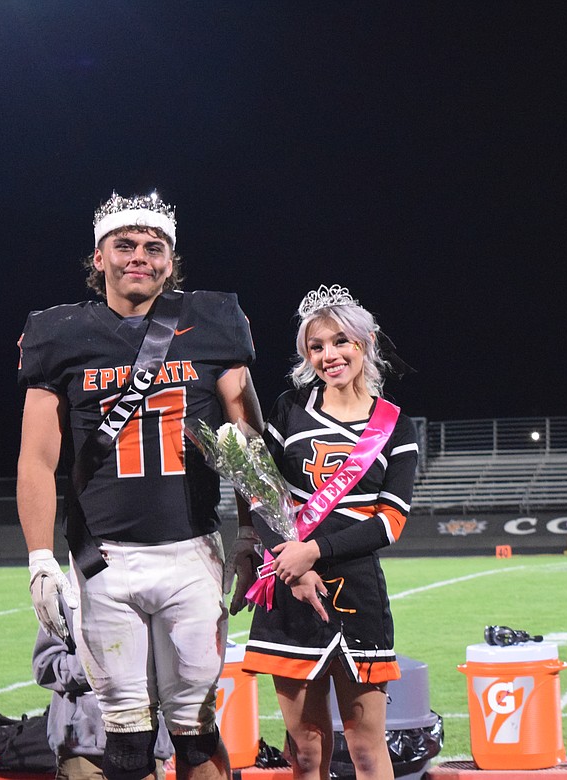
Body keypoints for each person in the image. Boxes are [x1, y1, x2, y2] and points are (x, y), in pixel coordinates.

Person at [16, 191, 263, 780]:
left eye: (155, 248)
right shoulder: (60, 333)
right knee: (124, 737)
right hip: (103, 560)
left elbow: (249, 439)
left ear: (172, 262)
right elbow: (36, 458)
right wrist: (39, 559)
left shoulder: (212, 320)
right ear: (98, 257)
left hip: (191, 552)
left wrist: (253, 532)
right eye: (124, 245)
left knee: (196, 729)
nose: (140, 258)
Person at [241, 285, 419, 780]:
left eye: (341, 342)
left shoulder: (395, 426)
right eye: (316, 347)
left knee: (366, 747)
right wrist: (290, 567)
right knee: (306, 748)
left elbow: (390, 521)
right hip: (289, 590)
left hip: (358, 593)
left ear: (365, 343)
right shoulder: (289, 409)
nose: (329, 355)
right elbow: (260, 495)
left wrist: (312, 552)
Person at [33, 598, 174, 780]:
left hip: (146, 744)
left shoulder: (156, 584)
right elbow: (44, 666)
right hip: (85, 750)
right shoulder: (67, 589)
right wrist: (94, 664)